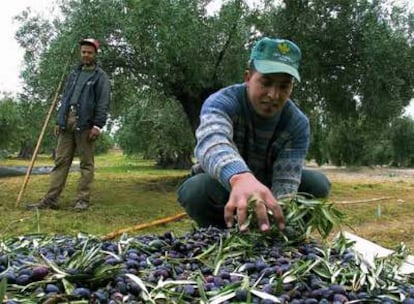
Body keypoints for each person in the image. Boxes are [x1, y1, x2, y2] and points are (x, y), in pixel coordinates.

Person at [177, 37, 330, 232]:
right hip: (224, 183)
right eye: (265, 83)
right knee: (196, 189)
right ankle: (219, 235)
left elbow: (286, 183)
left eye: (284, 86)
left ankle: (283, 234)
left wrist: (278, 216)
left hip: (268, 184)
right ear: (248, 78)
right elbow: (212, 142)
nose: (273, 95)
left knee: (317, 184)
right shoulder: (222, 102)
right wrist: (240, 177)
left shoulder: (297, 123)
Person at [27, 38, 111, 211]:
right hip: (67, 121)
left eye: (89, 52)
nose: (86, 55)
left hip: (86, 124)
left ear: (95, 54)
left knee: (86, 164)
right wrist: (60, 119)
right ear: (80, 53)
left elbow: (103, 102)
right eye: (83, 52)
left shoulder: (100, 76)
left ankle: (82, 200)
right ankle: (51, 200)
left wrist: (98, 126)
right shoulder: (74, 74)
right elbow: (65, 98)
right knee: (61, 161)